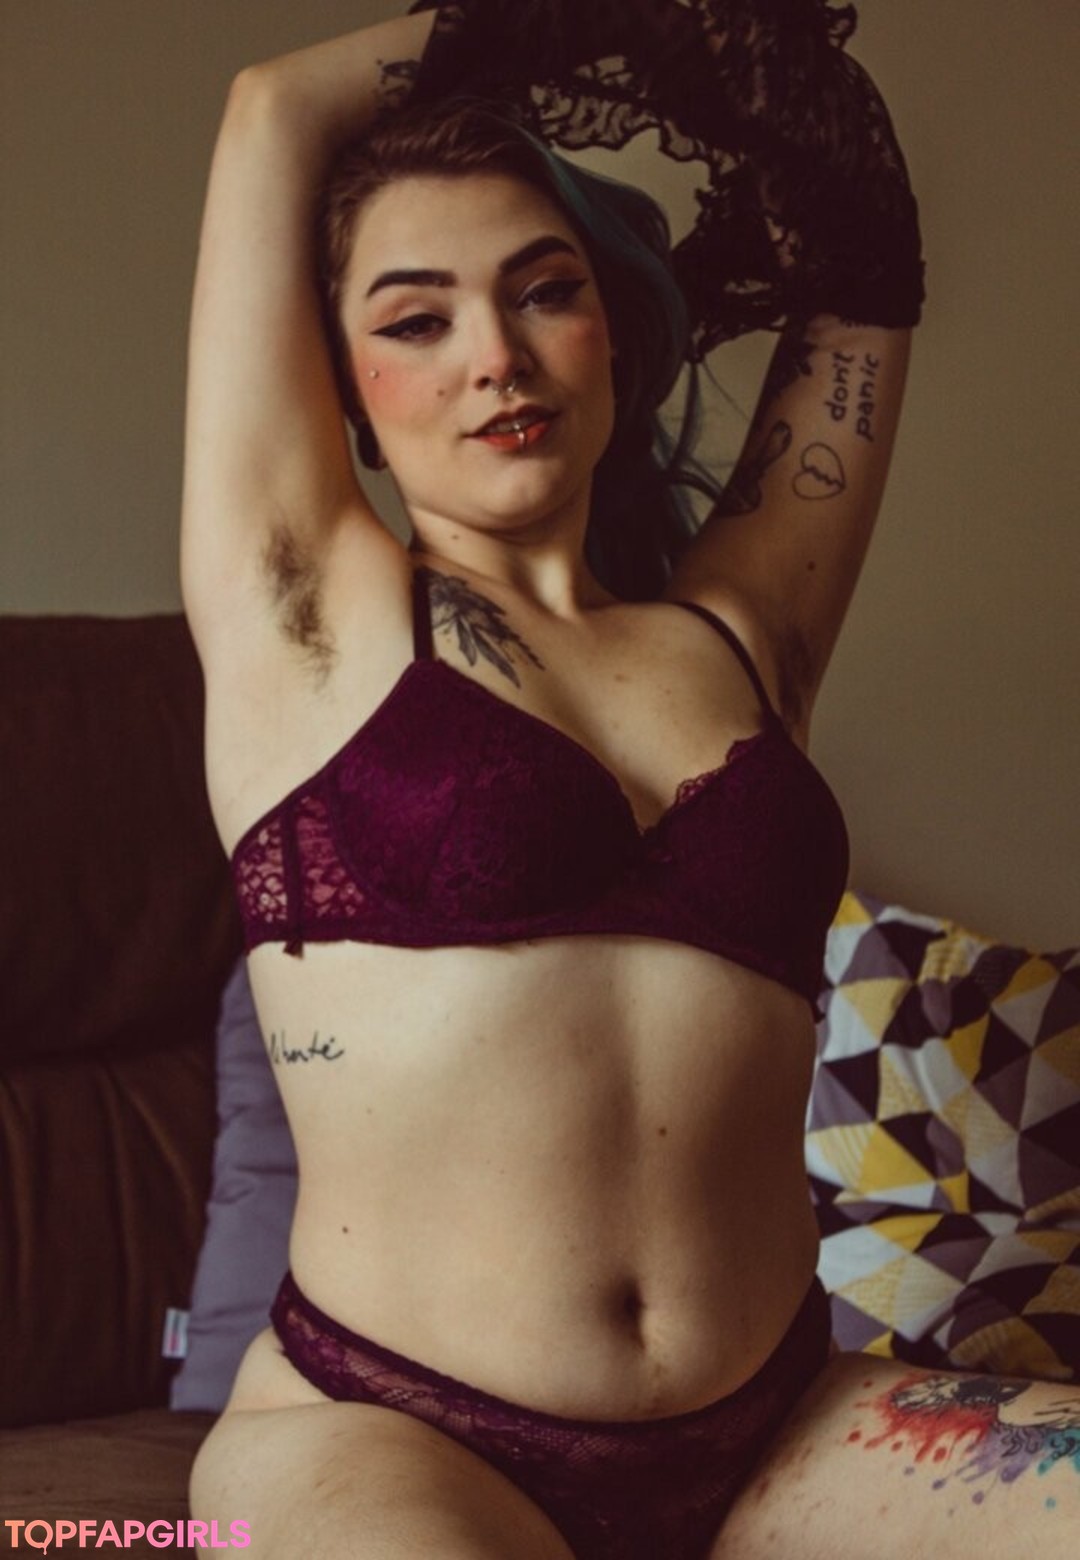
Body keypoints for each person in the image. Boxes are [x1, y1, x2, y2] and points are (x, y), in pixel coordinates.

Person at [181, 2, 1080, 1555]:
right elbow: (273, 107)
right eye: (417, 321)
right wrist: (631, 20)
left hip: (774, 1431)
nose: (497, 357)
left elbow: (866, 265)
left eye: (546, 291)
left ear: (614, 328)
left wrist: (767, 62)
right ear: (339, 387)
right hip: (391, 1435)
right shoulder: (309, 615)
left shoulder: (741, 635)